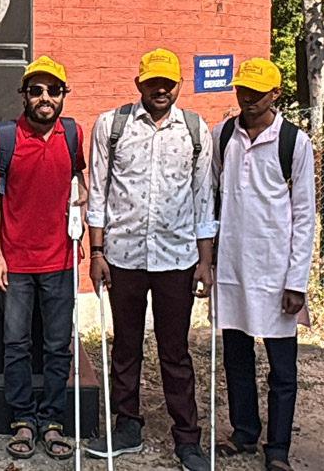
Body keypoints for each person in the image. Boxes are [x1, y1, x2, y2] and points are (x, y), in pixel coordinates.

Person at [81, 49, 216, 470]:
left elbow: (203, 200)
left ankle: (187, 437)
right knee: (125, 345)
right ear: (139, 83)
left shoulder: (195, 131)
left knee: (175, 350)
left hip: (176, 258)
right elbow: (98, 194)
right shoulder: (112, 126)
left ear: (178, 85)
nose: (161, 89)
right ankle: (127, 425)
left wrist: (205, 262)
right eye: (152, 82)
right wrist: (97, 252)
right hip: (123, 255)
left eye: (168, 82)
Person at [0, 56, 90, 461]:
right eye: (36, 90)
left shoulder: (73, 135)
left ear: (63, 96)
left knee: (59, 346)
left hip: (60, 260)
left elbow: (80, 180)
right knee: (17, 344)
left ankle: (53, 419)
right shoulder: (5, 138)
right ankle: (23, 418)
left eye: (53, 90)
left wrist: (84, 194)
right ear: (24, 96)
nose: (45, 97)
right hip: (16, 263)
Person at [208, 57, 317, 471]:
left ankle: (278, 449)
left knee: (282, 367)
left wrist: (297, 281)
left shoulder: (294, 142)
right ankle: (244, 433)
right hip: (233, 268)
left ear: (276, 94)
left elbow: (304, 215)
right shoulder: (223, 137)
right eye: (242, 90)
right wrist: (210, 260)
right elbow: (212, 197)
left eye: (257, 92)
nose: (248, 99)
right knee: (236, 358)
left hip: (275, 272)